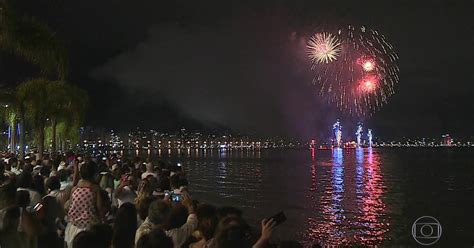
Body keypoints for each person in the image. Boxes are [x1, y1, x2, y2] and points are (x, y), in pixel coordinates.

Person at [64, 161, 106, 248]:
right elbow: (99, 208)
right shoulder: (95, 189)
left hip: (73, 227)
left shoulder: (75, 189)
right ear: (94, 173)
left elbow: (70, 206)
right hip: (89, 228)